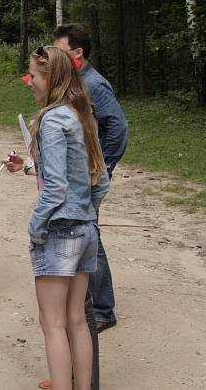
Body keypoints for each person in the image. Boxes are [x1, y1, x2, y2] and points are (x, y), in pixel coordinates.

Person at [5, 46, 109, 390]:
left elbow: (56, 188)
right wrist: (87, 214)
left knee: (52, 323)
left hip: (59, 232)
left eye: (32, 76)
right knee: (76, 319)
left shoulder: (51, 120)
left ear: (50, 79)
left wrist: (35, 228)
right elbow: (99, 179)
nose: (29, 82)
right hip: (84, 231)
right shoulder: (81, 115)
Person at [53, 23, 128, 332]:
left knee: (89, 238)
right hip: (79, 175)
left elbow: (118, 128)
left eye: (61, 51)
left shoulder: (94, 84)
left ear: (78, 53)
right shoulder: (74, 81)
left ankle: (102, 310)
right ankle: (84, 299)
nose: (55, 56)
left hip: (90, 177)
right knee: (83, 235)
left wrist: (103, 166)